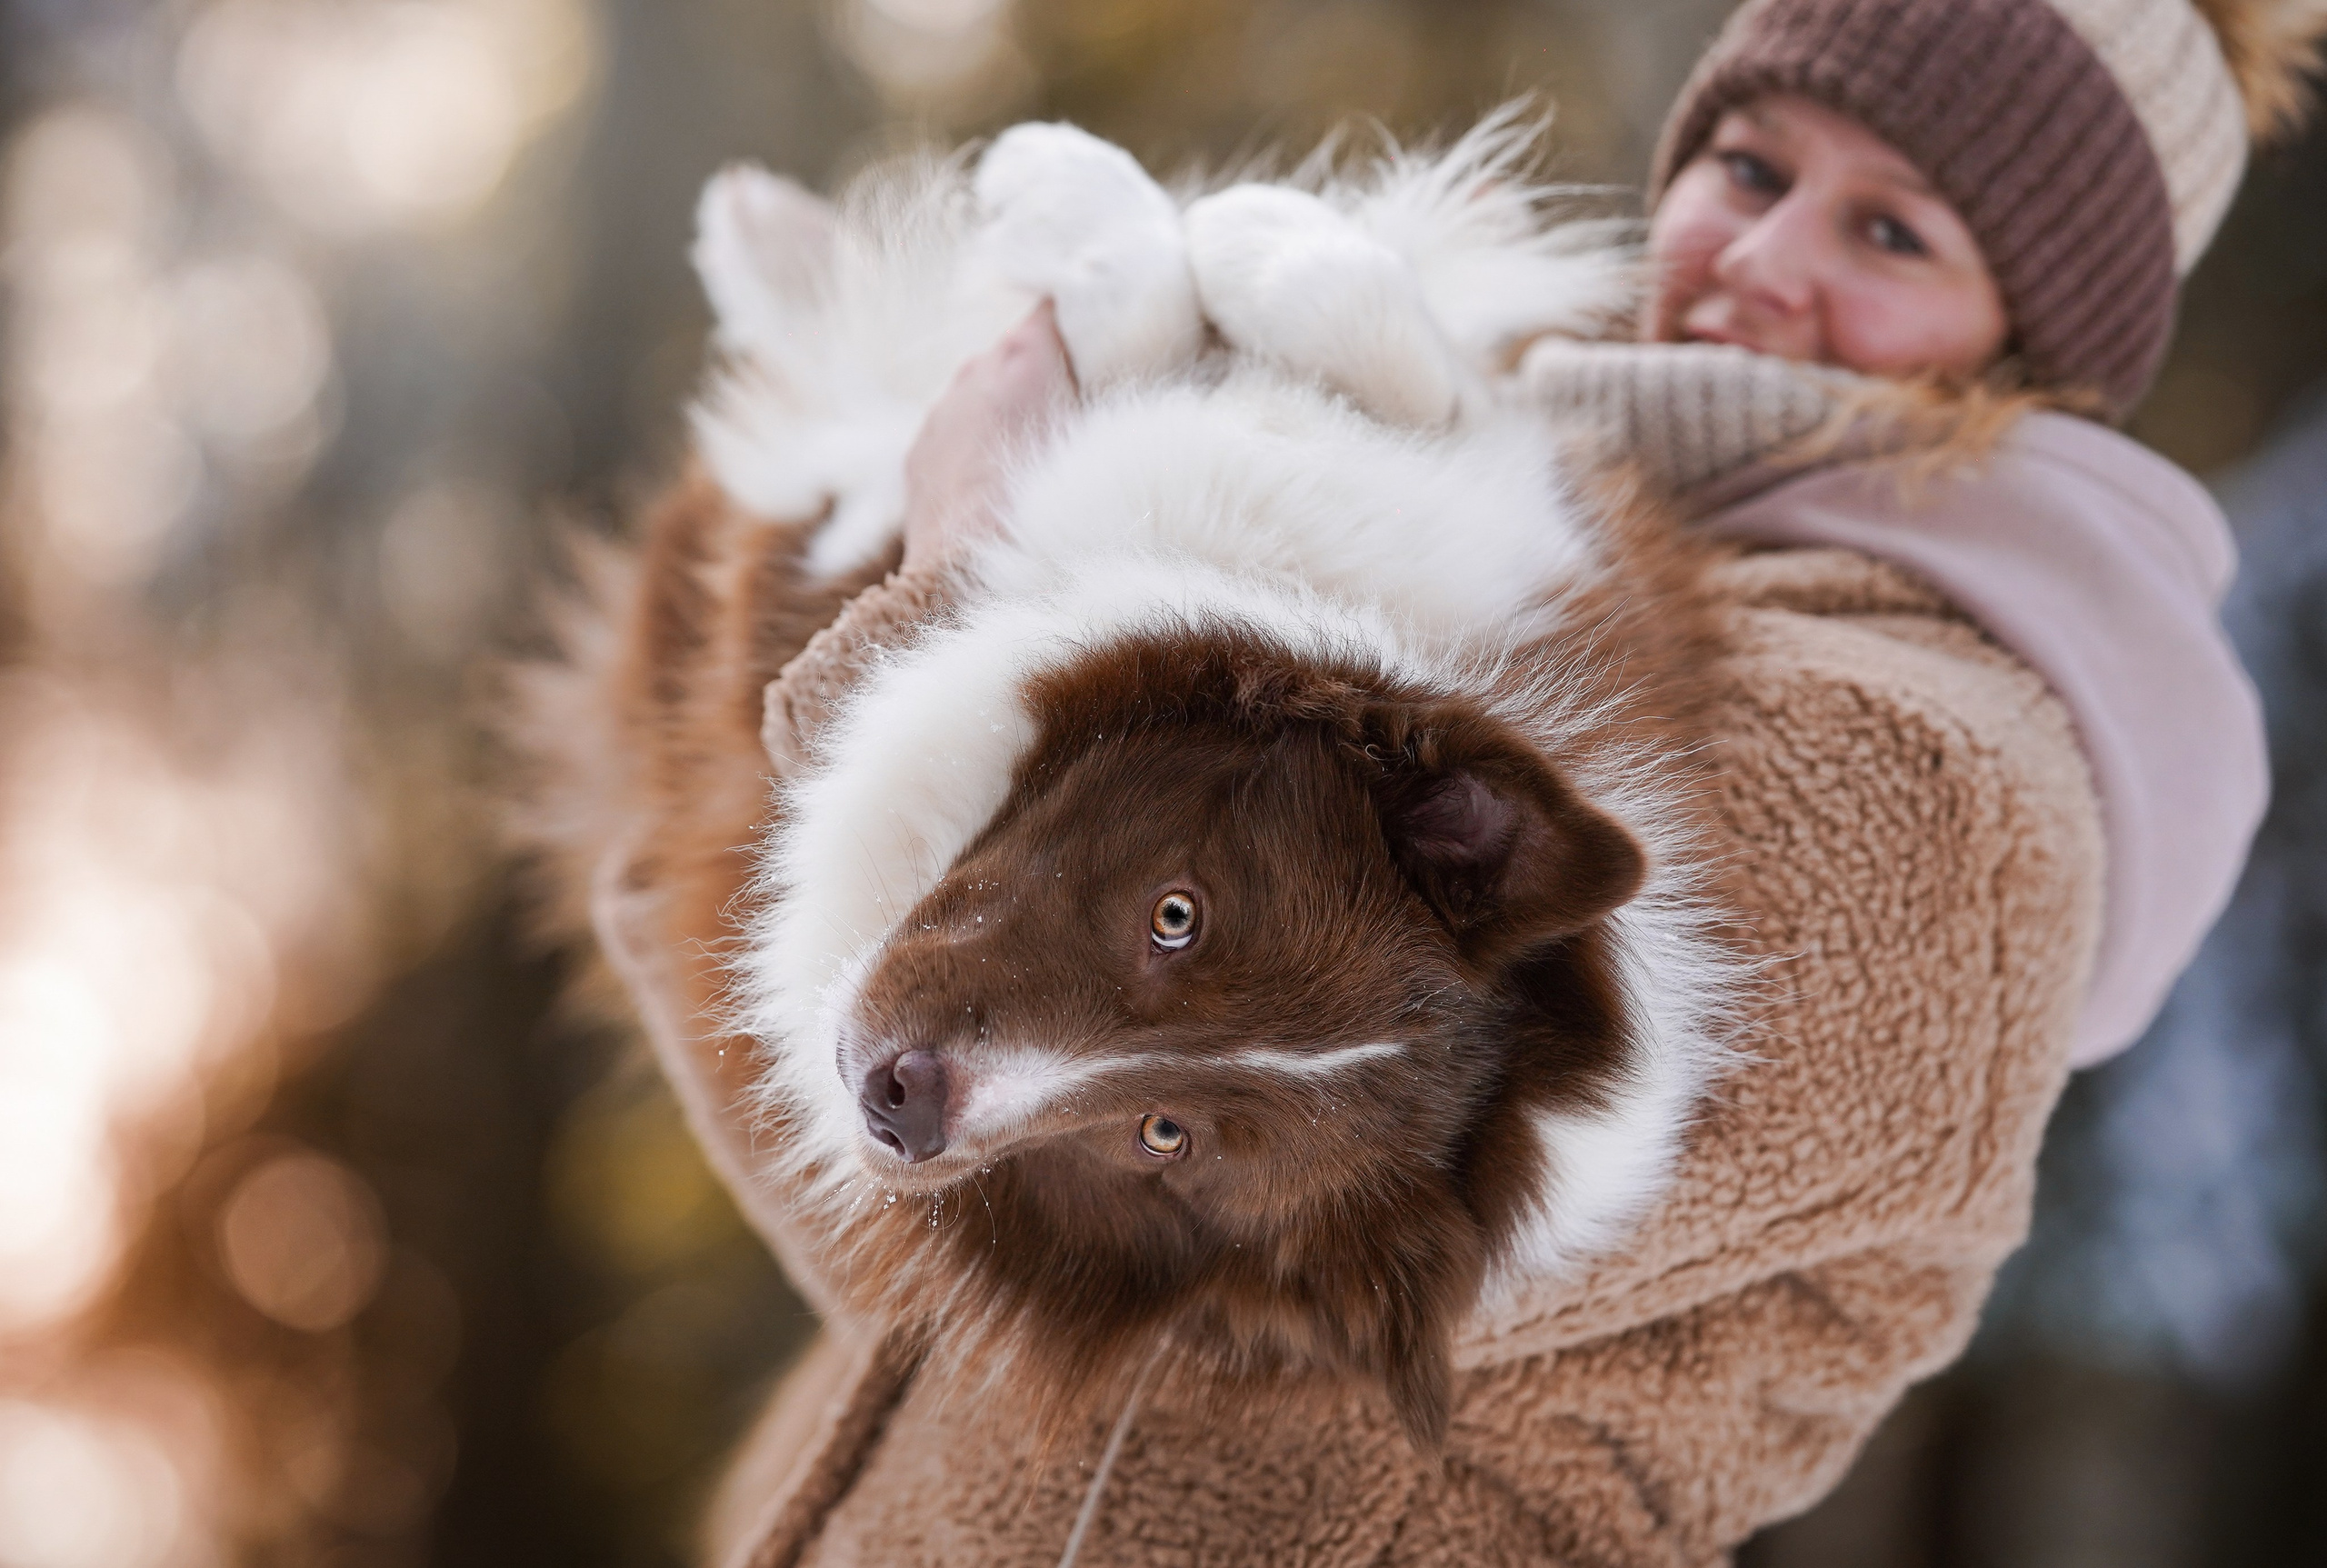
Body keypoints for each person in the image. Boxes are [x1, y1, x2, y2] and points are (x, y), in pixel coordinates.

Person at [608, 0, 2321, 1561]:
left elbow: (1161, 1285)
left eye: (1890, 229)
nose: (1765, 260)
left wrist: (960, 579)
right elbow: (950, 1227)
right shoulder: (1600, 535)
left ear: (2033, 353)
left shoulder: (1943, 786)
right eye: (1750, 164)